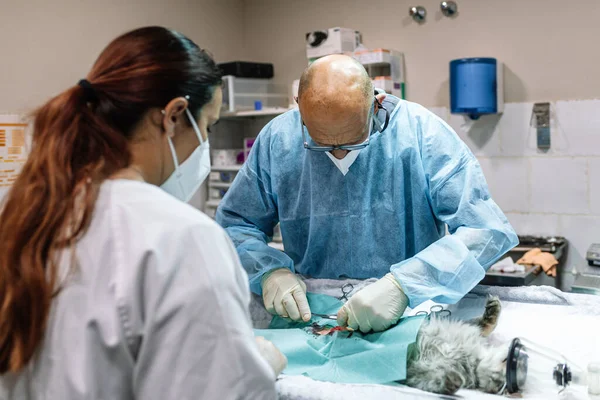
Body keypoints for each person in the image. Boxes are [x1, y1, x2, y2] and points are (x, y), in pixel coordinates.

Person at [0, 26, 285, 400]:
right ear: (173, 115)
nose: (206, 143)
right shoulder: (181, 237)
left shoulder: (21, 208)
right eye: (208, 126)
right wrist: (255, 370)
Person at [216, 54, 518, 333]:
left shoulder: (422, 134)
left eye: (351, 143)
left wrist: (405, 284)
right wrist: (269, 272)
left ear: (377, 104)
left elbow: (485, 230)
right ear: (299, 106)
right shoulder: (278, 140)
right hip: (310, 315)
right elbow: (236, 224)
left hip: (406, 311)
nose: (336, 152)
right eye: (320, 143)